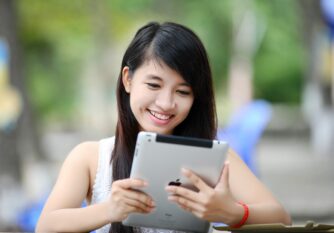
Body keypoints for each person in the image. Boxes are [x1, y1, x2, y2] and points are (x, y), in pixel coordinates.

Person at [36, 21, 291, 233]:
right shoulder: (90, 157)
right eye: (154, 85)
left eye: (182, 91)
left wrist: (232, 212)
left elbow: (282, 219)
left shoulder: (215, 159)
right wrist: (109, 210)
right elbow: (45, 226)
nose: (166, 103)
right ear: (128, 79)